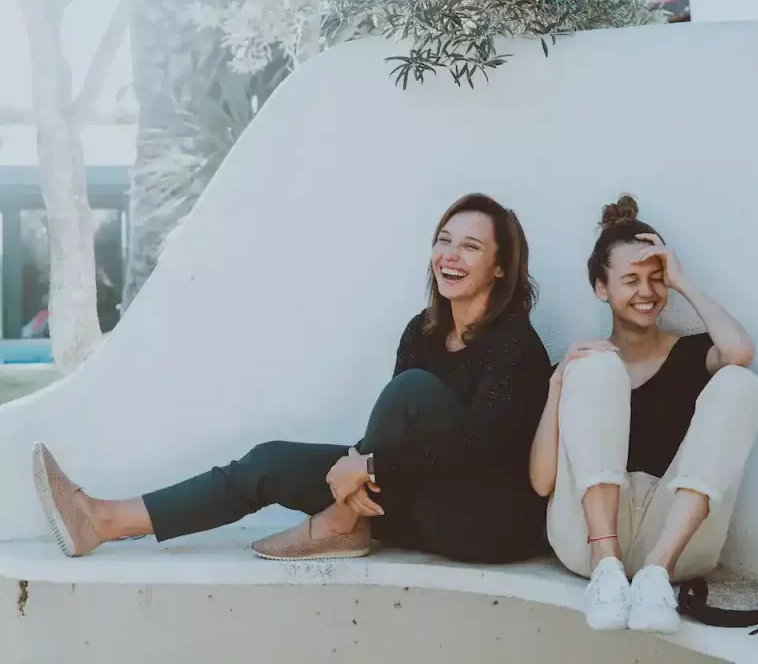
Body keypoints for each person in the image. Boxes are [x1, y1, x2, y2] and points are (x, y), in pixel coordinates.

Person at [33, 193, 552, 565]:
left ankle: (339, 524)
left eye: (470, 247)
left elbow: (484, 452)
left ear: (501, 268)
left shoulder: (515, 345)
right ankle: (101, 520)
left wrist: (366, 463)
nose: (450, 256)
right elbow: (400, 437)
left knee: (411, 389)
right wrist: (363, 467)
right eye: (444, 240)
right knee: (268, 462)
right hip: (422, 502)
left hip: (486, 525)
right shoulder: (423, 330)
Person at [529, 195, 758, 634]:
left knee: (740, 381)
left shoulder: (692, 353)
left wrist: (683, 282)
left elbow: (741, 351)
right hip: (586, 540)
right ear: (602, 289)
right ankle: (607, 566)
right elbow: (542, 482)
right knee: (595, 364)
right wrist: (557, 384)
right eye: (631, 279)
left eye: (656, 279)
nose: (646, 292)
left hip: (674, 540)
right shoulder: (581, 366)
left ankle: (655, 574)